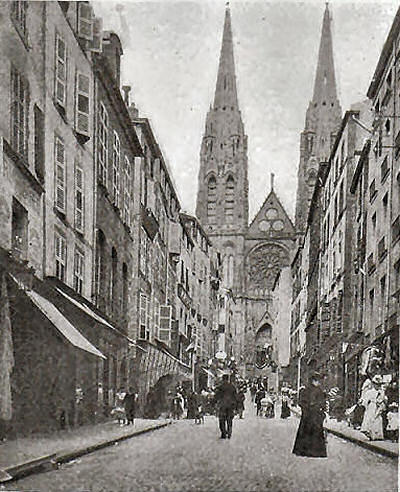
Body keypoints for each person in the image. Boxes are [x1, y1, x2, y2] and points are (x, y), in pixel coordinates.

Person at [292, 372, 327, 458]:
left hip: (311, 415)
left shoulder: (316, 390)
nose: (318, 383)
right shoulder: (309, 390)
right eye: (317, 381)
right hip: (310, 415)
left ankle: (307, 451)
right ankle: (312, 451)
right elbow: (302, 402)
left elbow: (322, 402)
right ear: (313, 381)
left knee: (308, 432)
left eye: (319, 381)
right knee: (311, 432)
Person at [360, 374, 387, 440]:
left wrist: (382, 402)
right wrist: (366, 405)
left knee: (377, 419)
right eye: (376, 384)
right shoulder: (370, 392)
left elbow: (384, 399)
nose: (378, 386)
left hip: (378, 406)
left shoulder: (381, 392)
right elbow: (366, 400)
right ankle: (369, 433)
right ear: (373, 384)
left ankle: (376, 435)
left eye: (379, 385)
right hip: (371, 406)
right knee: (370, 418)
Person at [214, 374, 238, 439]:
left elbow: (216, 396)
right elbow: (236, 397)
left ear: (222, 379)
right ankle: (229, 432)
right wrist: (236, 407)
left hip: (222, 406)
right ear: (228, 379)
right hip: (231, 406)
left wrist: (215, 403)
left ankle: (224, 433)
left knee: (222, 420)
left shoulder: (220, 387)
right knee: (229, 420)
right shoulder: (232, 387)